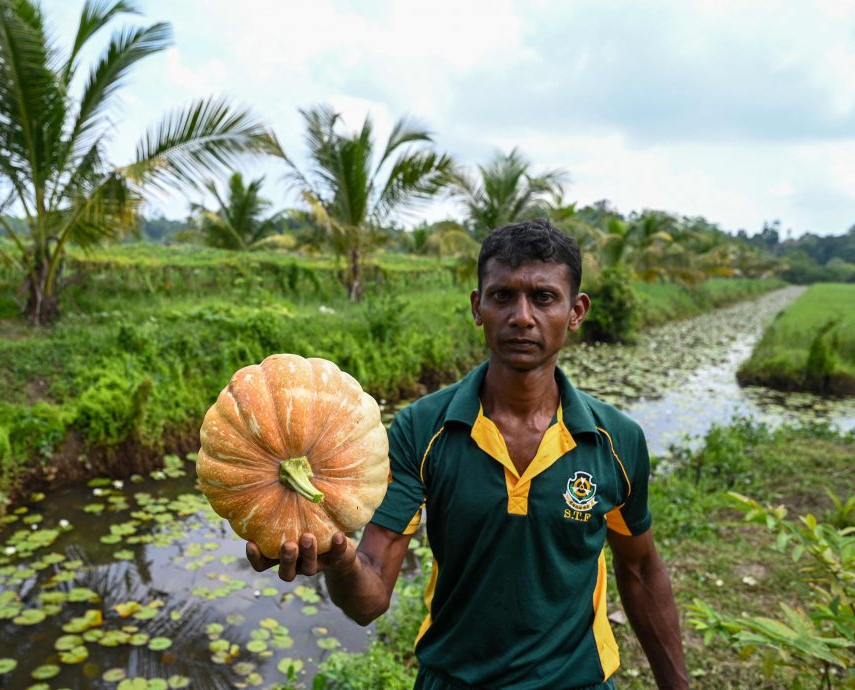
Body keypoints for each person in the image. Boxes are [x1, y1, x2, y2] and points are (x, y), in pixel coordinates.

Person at [247, 219, 689, 690]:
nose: (522, 316)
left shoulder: (615, 439)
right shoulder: (423, 428)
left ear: (576, 310)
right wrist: (339, 559)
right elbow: (369, 598)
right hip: (455, 680)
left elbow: (640, 569)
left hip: (577, 681)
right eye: (502, 296)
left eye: (543, 297)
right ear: (478, 308)